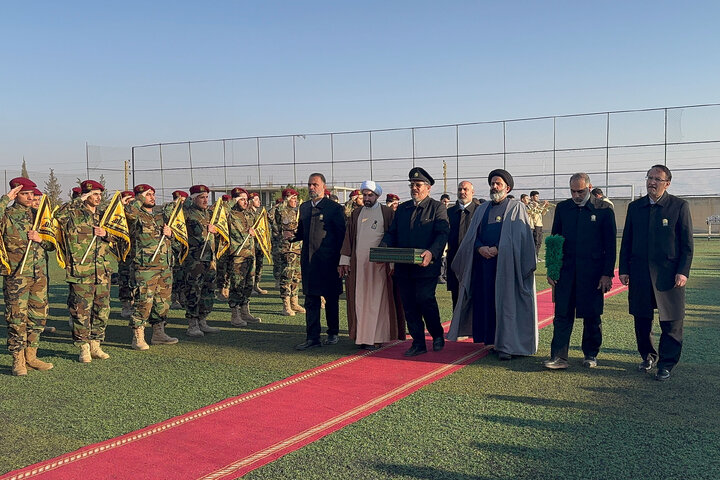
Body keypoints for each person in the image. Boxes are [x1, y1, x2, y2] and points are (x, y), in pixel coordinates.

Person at [447, 169, 538, 360]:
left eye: (498, 183)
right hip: (484, 267)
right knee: (488, 304)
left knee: (506, 305)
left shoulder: (516, 208)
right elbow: (473, 236)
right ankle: (493, 341)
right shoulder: (482, 209)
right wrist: (480, 248)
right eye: (492, 183)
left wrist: (498, 249)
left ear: (508, 187)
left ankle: (507, 345)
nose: (494, 186)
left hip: (507, 267)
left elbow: (521, 239)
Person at [619, 165, 693, 381]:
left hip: (669, 275)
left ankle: (666, 364)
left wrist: (683, 271)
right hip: (640, 273)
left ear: (667, 183)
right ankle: (648, 356)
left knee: (671, 320)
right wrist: (624, 269)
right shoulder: (635, 207)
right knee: (642, 318)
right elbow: (627, 242)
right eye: (649, 178)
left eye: (657, 179)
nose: (652, 182)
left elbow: (687, 244)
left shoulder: (679, 206)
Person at [544, 173, 616, 370]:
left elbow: (610, 245)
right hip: (566, 272)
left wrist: (607, 274)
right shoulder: (563, 208)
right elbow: (554, 240)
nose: (576, 195)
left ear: (589, 188)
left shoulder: (604, 209)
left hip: (593, 273)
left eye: (581, 191)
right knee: (561, 314)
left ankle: (591, 354)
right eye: (573, 191)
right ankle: (558, 357)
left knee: (592, 315)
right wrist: (552, 268)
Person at [381, 167, 449, 357]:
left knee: (425, 299)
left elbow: (442, 233)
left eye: (418, 185)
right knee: (409, 304)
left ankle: (437, 334)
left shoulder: (437, 207)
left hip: (426, 266)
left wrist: (431, 253)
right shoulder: (403, 209)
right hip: (404, 268)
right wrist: (383, 248)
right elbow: (392, 233)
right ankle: (418, 342)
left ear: (428, 188)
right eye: (412, 185)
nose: (414, 188)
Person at [339, 180, 405, 350]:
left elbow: (392, 238)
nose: (367, 198)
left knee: (377, 302)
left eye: (370, 195)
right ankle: (361, 337)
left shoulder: (387, 212)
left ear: (377, 196)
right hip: (358, 267)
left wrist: (391, 263)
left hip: (379, 267)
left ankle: (376, 337)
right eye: (365, 195)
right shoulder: (356, 213)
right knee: (360, 301)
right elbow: (349, 238)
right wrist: (345, 261)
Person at [55, 179, 114, 363]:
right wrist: (79, 199)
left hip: (102, 271)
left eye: (98, 194)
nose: (97, 198)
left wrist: (106, 234)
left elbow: (119, 235)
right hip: (81, 271)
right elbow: (58, 215)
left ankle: (96, 344)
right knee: (81, 311)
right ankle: (83, 347)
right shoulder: (73, 214)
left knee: (102, 310)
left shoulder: (103, 216)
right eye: (93, 194)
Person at [2, 180, 55, 375]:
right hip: (17, 276)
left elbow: (52, 244)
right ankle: (18, 360)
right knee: (17, 318)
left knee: (37, 317)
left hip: (38, 275)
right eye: (25, 194)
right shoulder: (7, 215)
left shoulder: (38, 216)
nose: (31, 197)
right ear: (17, 195)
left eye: (32, 194)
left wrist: (41, 239)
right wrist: (5, 199)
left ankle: (31, 356)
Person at [292, 173, 346, 350]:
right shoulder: (305, 207)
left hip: (329, 263)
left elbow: (341, 236)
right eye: (309, 184)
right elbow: (301, 232)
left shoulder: (334, 208)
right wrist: (290, 236)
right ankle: (312, 337)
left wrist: (341, 261)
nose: (311, 188)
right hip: (309, 262)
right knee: (311, 300)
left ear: (323, 186)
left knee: (331, 299)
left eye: (315, 184)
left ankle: (333, 332)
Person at [123, 184, 179, 350]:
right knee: (143, 302)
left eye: (153, 194)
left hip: (164, 266)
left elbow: (176, 238)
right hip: (145, 268)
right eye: (148, 195)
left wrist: (171, 233)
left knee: (162, 302)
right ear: (139, 197)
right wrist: (138, 199)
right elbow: (128, 212)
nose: (152, 197)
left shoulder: (160, 215)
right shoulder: (135, 215)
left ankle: (158, 333)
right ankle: (138, 336)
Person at [183, 184, 220, 337]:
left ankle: (203, 320)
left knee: (208, 290)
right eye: (202, 197)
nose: (205, 200)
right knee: (194, 290)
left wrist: (216, 231)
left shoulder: (209, 214)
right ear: (193, 199)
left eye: (206, 197)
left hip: (209, 259)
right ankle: (192, 324)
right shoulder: (187, 213)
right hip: (195, 259)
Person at [227, 187, 261, 326]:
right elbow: (217, 212)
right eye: (242, 199)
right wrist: (231, 201)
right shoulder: (229, 213)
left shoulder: (248, 214)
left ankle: (245, 312)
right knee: (236, 285)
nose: (245, 202)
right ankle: (235, 315)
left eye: (246, 199)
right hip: (237, 255)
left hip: (249, 254)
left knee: (248, 284)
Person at [446, 181, 478, 309]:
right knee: (456, 299)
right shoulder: (449, 212)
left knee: (475, 299)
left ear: (472, 192)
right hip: (454, 262)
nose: (462, 192)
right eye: (460, 189)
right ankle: (457, 329)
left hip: (474, 262)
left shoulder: (480, 211)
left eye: (465, 189)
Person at [273, 188, 304, 316]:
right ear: (286, 199)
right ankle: (286, 305)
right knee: (287, 276)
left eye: (296, 198)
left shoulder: (296, 212)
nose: (295, 201)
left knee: (296, 276)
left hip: (297, 247)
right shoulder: (281, 210)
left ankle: (294, 302)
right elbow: (283, 225)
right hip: (287, 248)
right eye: (292, 198)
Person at [118, 190, 137, 318]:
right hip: (124, 251)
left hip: (136, 251)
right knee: (124, 278)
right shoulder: (118, 213)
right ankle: (126, 305)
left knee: (136, 278)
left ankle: (135, 304)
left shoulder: (136, 213)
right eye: (127, 200)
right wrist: (121, 206)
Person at [170, 190, 189, 309]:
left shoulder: (186, 213)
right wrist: (175, 204)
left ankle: (182, 297)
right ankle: (173, 299)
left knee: (182, 274)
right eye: (180, 201)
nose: (182, 203)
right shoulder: (170, 212)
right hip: (173, 248)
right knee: (173, 275)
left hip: (183, 248)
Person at [249, 192, 268, 295]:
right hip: (251, 245)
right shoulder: (248, 213)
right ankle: (250, 287)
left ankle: (256, 285)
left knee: (259, 265)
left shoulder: (258, 213)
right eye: (256, 200)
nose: (259, 201)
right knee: (252, 266)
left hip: (259, 244)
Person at [528, 190, 551, 257]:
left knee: (539, 242)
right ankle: (534, 256)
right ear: (532, 197)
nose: (537, 198)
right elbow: (534, 212)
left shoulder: (538, 205)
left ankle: (536, 255)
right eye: (536, 196)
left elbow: (542, 213)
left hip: (540, 224)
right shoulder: (530, 205)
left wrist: (546, 206)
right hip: (535, 225)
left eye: (538, 196)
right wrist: (542, 205)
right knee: (536, 241)